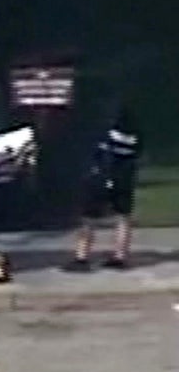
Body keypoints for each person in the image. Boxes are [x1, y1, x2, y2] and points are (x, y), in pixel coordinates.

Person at [65, 105, 141, 272]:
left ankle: (82, 257)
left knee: (88, 218)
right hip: (124, 179)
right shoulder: (135, 136)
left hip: (102, 178)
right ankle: (120, 256)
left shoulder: (105, 135)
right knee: (123, 216)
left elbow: (100, 156)